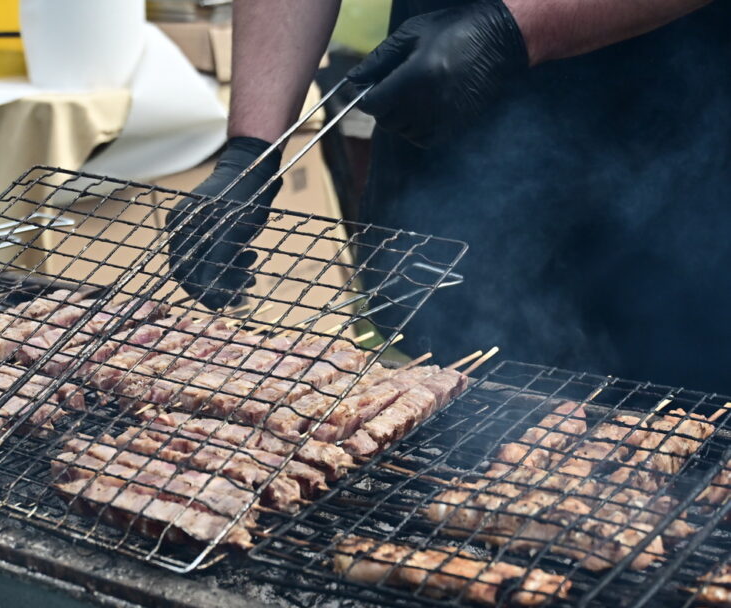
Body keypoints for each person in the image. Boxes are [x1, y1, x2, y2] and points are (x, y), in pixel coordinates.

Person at [168, 0, 731, 393]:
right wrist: (252, 149)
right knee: (452, 405)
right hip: (444, 146)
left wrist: (517, 28)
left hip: (672, 169)